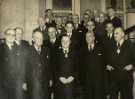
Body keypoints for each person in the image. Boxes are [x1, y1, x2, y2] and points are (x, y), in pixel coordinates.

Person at [106, 27, 135, 99]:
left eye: (117, 33)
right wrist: (107, 65)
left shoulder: (130, 45)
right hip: (113, 78)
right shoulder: (111, 46)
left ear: (122, 34)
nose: (114, 35)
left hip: (126, 78)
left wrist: (132, 66)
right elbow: (107, 60)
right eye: (114, 33)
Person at [0, 28, 29, 99]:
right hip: (3, 84)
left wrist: (24, 81)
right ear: (5, 36)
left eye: (13, 35)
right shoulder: (1, 48)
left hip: (17, 84)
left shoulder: (18, 49)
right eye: (9, 34)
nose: (11, 36)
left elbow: (23, 67)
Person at [80, 31, 105, 99]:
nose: (88, 38)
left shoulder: (101, 48)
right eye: (86, 36)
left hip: (98, 81)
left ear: (94, 38)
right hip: (87, 81)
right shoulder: (82, 49)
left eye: (90, 36)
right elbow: (80, 66)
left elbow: (104, 64)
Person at [53, 35, 78, 99]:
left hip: (71, 84)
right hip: (59, 84)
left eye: (67, 41)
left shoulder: (75, 53)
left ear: (70, 42)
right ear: (61, 42)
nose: (65, 42)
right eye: (63, 41)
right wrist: (60, 77)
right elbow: (54, 68)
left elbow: (78, 67)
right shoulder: (56, 54)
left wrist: (73, 77)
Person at [28, 30, 50, 99]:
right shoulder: (27, 50)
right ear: (33, 39)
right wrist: (24, 82)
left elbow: (49, 66)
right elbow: (24, 68)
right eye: (37, 38)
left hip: (45, 83)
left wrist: (50, 79)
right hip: (33, 84)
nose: (40, 40)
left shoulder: (46, 50)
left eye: (41, 38)